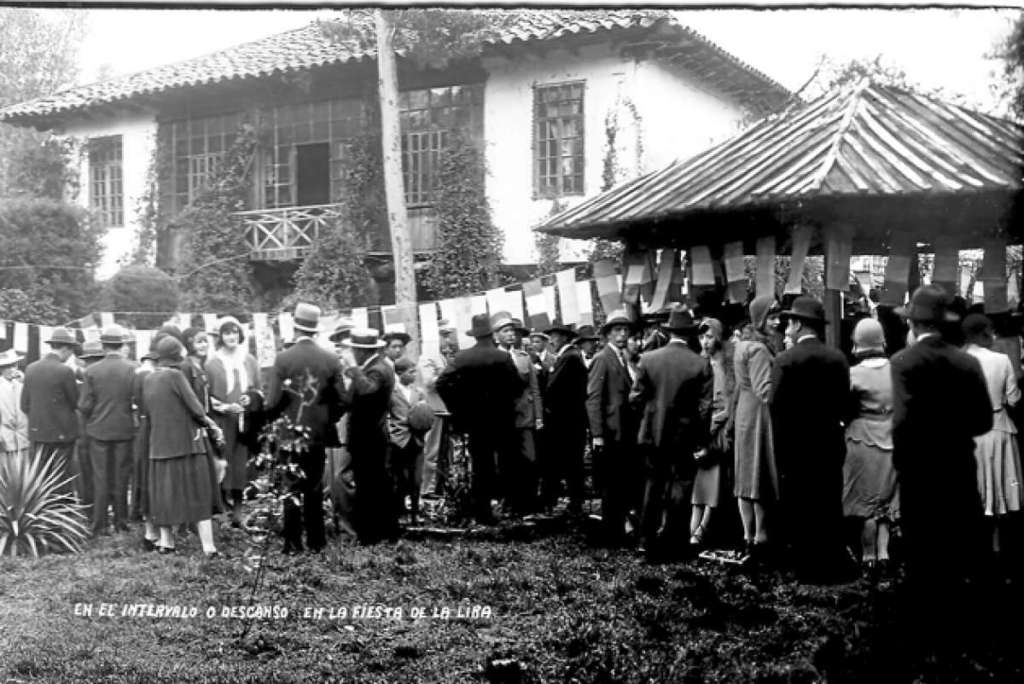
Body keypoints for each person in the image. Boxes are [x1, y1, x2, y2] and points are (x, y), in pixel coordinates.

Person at [891, 285, 992, 658]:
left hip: (919, 472)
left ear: (914, 324)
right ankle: (963, 632)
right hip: (959, 468)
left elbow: (901, 424)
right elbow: (982, 421)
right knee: (959, 546)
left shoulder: (903, 362)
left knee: (922, 551)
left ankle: (925, 635)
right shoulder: (969, 363)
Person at [770, 295, 853, 583]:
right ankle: (830, 566)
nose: (786, 328)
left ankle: (804, 568)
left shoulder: (785, 360)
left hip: (794, 447)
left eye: (788, 322)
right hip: (829, 444)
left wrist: (780, 448)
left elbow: (775, 405)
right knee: (828, 503)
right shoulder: (838, 358)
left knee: (799, 505)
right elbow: (846, 405)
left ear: (796, 324)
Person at [630, 304, 713, 560]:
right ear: (689, 334)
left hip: (653, 434)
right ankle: (674, 540)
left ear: (667, 333)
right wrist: (700, 439)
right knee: (680, 487)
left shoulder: (648, 359)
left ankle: (645, 539)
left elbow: (635, 398)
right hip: (684, 436)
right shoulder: (700, 364)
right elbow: (704, 407)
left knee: (652, 486)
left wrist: (648, 416)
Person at [265, 303, 345, 553]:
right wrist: (327, 418)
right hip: (319, 434)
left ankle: (292, 543)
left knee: (291, 487)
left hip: (290, 433)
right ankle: (317, 541)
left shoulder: (283, 358)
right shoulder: (331, 359)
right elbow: (343, 399)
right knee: (314, 486)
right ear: (315, 331)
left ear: (295, 328)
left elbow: (272, 402)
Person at [436, 313, 522, 525]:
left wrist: (459, 409)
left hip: (475, 422)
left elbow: (442, 383)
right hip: (502, 420)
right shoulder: (502, 357)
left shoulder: (463, 357)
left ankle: (482, 512)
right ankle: (510, 508)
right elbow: (518, 386)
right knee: (507, 462)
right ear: (491, 334)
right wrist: (504, 401)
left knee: (481, 466)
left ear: (474, 335)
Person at [142, 336, 224, 556]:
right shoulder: (176, 375)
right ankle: (208, 546)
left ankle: (166, 542)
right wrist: (213, 426)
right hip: (187, 445)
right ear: (177, 355)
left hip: (159, 447)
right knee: (199, 494)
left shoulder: (149, 379)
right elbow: (196, 409)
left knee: (165, 496)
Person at [962, 313, 1022, 564]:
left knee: (972, 488)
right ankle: (997, 548)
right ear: (984, 332)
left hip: (968, 432)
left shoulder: (960, 359)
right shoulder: (1002, 360)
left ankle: (973, 550)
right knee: (998, 488)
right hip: (998, 427)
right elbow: (1013, 398)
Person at [842, 318, 898, 579]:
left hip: (861, 439)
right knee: (886, 500)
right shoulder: (897, 369)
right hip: (891, 437)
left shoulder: (853, 374)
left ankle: (868, 558)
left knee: (865, 502)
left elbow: (843, 407)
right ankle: (885, 554)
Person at [586, 309, 640, 546]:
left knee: (621, 481)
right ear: (608, 334)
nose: (622, 335)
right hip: (609, 431)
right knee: (610, 483)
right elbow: (593, 399)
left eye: (625, 330)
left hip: (623, 430)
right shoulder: (602, 358)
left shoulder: (623, 358)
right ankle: (611, 531)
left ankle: (619, 526)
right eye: (617, 330)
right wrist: (597, 434)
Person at [338, 327, 397, 543]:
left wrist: (352, 368)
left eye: (355, 350)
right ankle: (380, 534)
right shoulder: (370, 367)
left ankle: (375, 536)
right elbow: (350, 399)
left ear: (362, 351)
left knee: (373, 487)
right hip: (366, 437)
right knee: (372, 485)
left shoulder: (378, 369)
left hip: (370, 438)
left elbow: (367, 390)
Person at [78, 325, 137, 537]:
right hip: (124, 430)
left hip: (98, 431)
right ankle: (122, 521)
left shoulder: (91, 371)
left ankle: (100, 524)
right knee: (121, 477)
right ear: (122, 345)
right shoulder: (132, 368)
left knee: (100, 477)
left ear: (103, 346)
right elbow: (137, 400)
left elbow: (84, 405)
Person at [732, 295, 779, 558]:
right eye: (771, 317)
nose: (777, 322)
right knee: (758, 475)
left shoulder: (743, 344)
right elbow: (765, 391)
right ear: (760, 319)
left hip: (744, 414)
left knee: (745, 476)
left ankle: (746, 534)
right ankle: (760, 537)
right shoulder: (760, 349)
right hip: (759, 416)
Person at [206, 316, 259, 526]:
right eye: (227, 333)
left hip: (244, 422)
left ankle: (238, 511)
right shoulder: (212, 363)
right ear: (220, 337)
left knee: (240, 465)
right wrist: (225, 406)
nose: (231, 337)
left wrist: (251, 398)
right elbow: (205, 396)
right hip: (221, 421)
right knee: (222, 463)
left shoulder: (250, 360)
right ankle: (221, 511)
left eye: (234, 332)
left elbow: (258, 390)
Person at [493, 313, 543, 516]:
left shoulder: (523, 358)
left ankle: (528, 503)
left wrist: (538, 416)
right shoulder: (493, 358)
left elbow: (534, 388)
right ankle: (509, 504)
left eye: (512, 331)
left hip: (525, 417)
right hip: (503, 419)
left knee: (529, 459)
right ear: (496, 336)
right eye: (505, 331)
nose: (510, 334)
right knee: (506, 462)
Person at [690, 317, 733, 548]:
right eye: (702, 337)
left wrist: (710, 428)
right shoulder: (698, 364)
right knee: (700, 480)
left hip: (716, 431)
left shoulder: (725, 366)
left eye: (709, 337)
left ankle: (702, 528)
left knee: (714, 478)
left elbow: (727, 405)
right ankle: (694, 527)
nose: (705, 342)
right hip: (700, 430)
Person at [22, 327, 80, 494]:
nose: (70, 356)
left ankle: (40, 510)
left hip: (37, 432)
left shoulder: (31, 369)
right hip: (62, 434)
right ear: (64, 348)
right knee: (61, 474)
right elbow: (75, 402)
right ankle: (60, 510)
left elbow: (24, 405)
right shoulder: (65, 371)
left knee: (39, 475)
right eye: (71, 351)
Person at [539, 321, 589, 515]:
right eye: (551, 335)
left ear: (565, 338)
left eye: (556, 336)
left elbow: (553, 385)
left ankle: (569, 501)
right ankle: (572, 500)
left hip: (566, 420)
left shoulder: (569, 357)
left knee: (567, 460)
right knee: (570, 461)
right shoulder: (568, 356)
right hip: (569, 419)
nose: (552, 340)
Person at [181, 327, 227, 514]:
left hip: (207, 422)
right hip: (195, 425)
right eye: (198, 341)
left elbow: (206, 398)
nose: (203, 345)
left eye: (205, 341)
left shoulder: (202, 366)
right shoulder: (186, 367)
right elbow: (189, 399)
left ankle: (210, 510)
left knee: (217, 464)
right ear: (189, 344)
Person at [416, 319, 457, 501]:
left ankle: (440, 485)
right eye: (443, 336)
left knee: (444, 451)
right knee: (431, 451)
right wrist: (448, 372)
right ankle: (427, 488)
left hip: (445, 409)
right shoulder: (428, 357)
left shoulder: (445, 357)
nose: (447, 341)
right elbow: (428, 382)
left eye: (448, 336)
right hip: (434, 409)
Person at [388, 357, 428, 525]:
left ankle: (414, 514)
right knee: (400, 479)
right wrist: (391, 432)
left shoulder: (418, 392)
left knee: (416, 479)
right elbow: (386, 416)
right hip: (399, 440)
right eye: (410, 372)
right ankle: (399, 513)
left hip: (416, 440)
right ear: (399, 373)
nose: (414, 375)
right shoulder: (391, 393)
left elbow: (424, 415)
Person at [0, 349, 28, 457]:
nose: (12, 369)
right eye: (7, 366)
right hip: (5, 438)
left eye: (13, 365)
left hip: (23, 438)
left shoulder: (22, 385)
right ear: (1, 369)